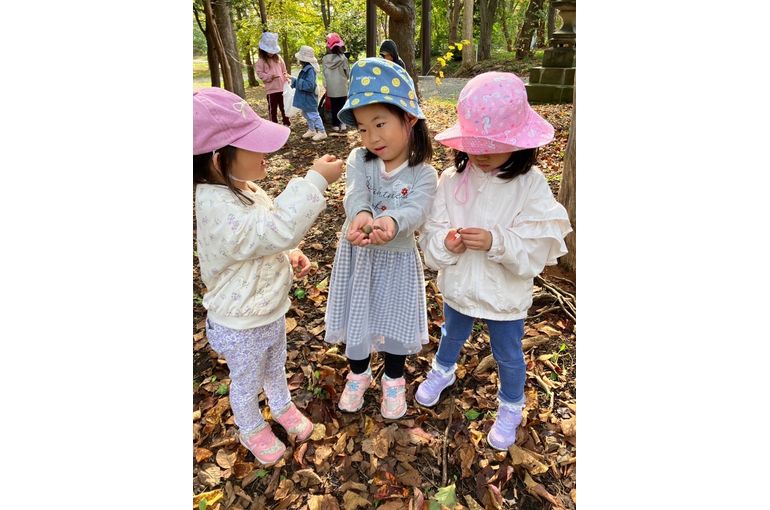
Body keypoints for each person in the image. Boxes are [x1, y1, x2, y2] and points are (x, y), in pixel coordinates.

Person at [415, 72, 572, 450]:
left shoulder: (529, 184)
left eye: (494, 145)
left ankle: (511, 405)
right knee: (452, 332)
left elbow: (538, 245)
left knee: (508, 351)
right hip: (460, 286)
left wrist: (496, 241)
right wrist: (446, 244)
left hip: (504, 295)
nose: (482, 154)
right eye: (475, 145)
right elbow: (431, 230)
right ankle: (443, 369)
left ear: (519, 144)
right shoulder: (452, 180)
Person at [193, 87, 345, 465]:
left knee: (275, 365)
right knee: (245, 382)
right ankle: (250, 428)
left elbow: (264, 236)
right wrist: (314, 182)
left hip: (267, 310)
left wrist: (289, 253)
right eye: (255, 146)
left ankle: (281, 405)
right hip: (240, 320)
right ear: (217, 160)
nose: (266, 154)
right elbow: (270, 229)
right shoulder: (214, 205)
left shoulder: (244, 188)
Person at [324, 58, 438, 420]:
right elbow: (355, 193)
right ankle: (358, 373)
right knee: (358, 317)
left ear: (409, 118)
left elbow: (416, 210)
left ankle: (393, 378)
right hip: (359, 258)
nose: (371, 138)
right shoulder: (361, 159)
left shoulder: (425, 173)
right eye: (361, 128)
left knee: (393, 320)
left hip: (398, 259)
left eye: (380, 124)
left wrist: (391, 221)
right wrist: (362, 215)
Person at [254, 32, 292, 126]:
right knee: (273, 109)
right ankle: (274, 125)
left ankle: (286, 122)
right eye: (268, 51)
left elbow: (284, 70)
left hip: (282, 88)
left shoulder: (278, 58)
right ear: (263, 50)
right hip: (271, 90)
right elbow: (259, 73)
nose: (271, 53)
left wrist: (286, 77)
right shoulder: (261, 61)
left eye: (272, 51)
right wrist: (269, 77)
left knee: (284, 107)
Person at [291, 45, 327, 141]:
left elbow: (309, 85)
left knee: (313, 114)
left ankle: (322, 131)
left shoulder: (310, 70)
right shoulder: (306, 69)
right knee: (306, 113)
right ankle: (312, 130)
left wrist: (297, 81)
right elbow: (302, 82)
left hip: (309, 98)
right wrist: (292, 79)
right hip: (305, 98)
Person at [322, 33, 351, 133]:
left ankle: (335, 125)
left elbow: (324, 74)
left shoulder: (325, 59)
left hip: (331, 86)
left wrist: (326, 85)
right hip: (342, 85)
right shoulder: (343, 58)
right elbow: (347, 71)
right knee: (342, 105)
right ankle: (343, 123)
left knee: (334, 106)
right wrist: (347, 78)